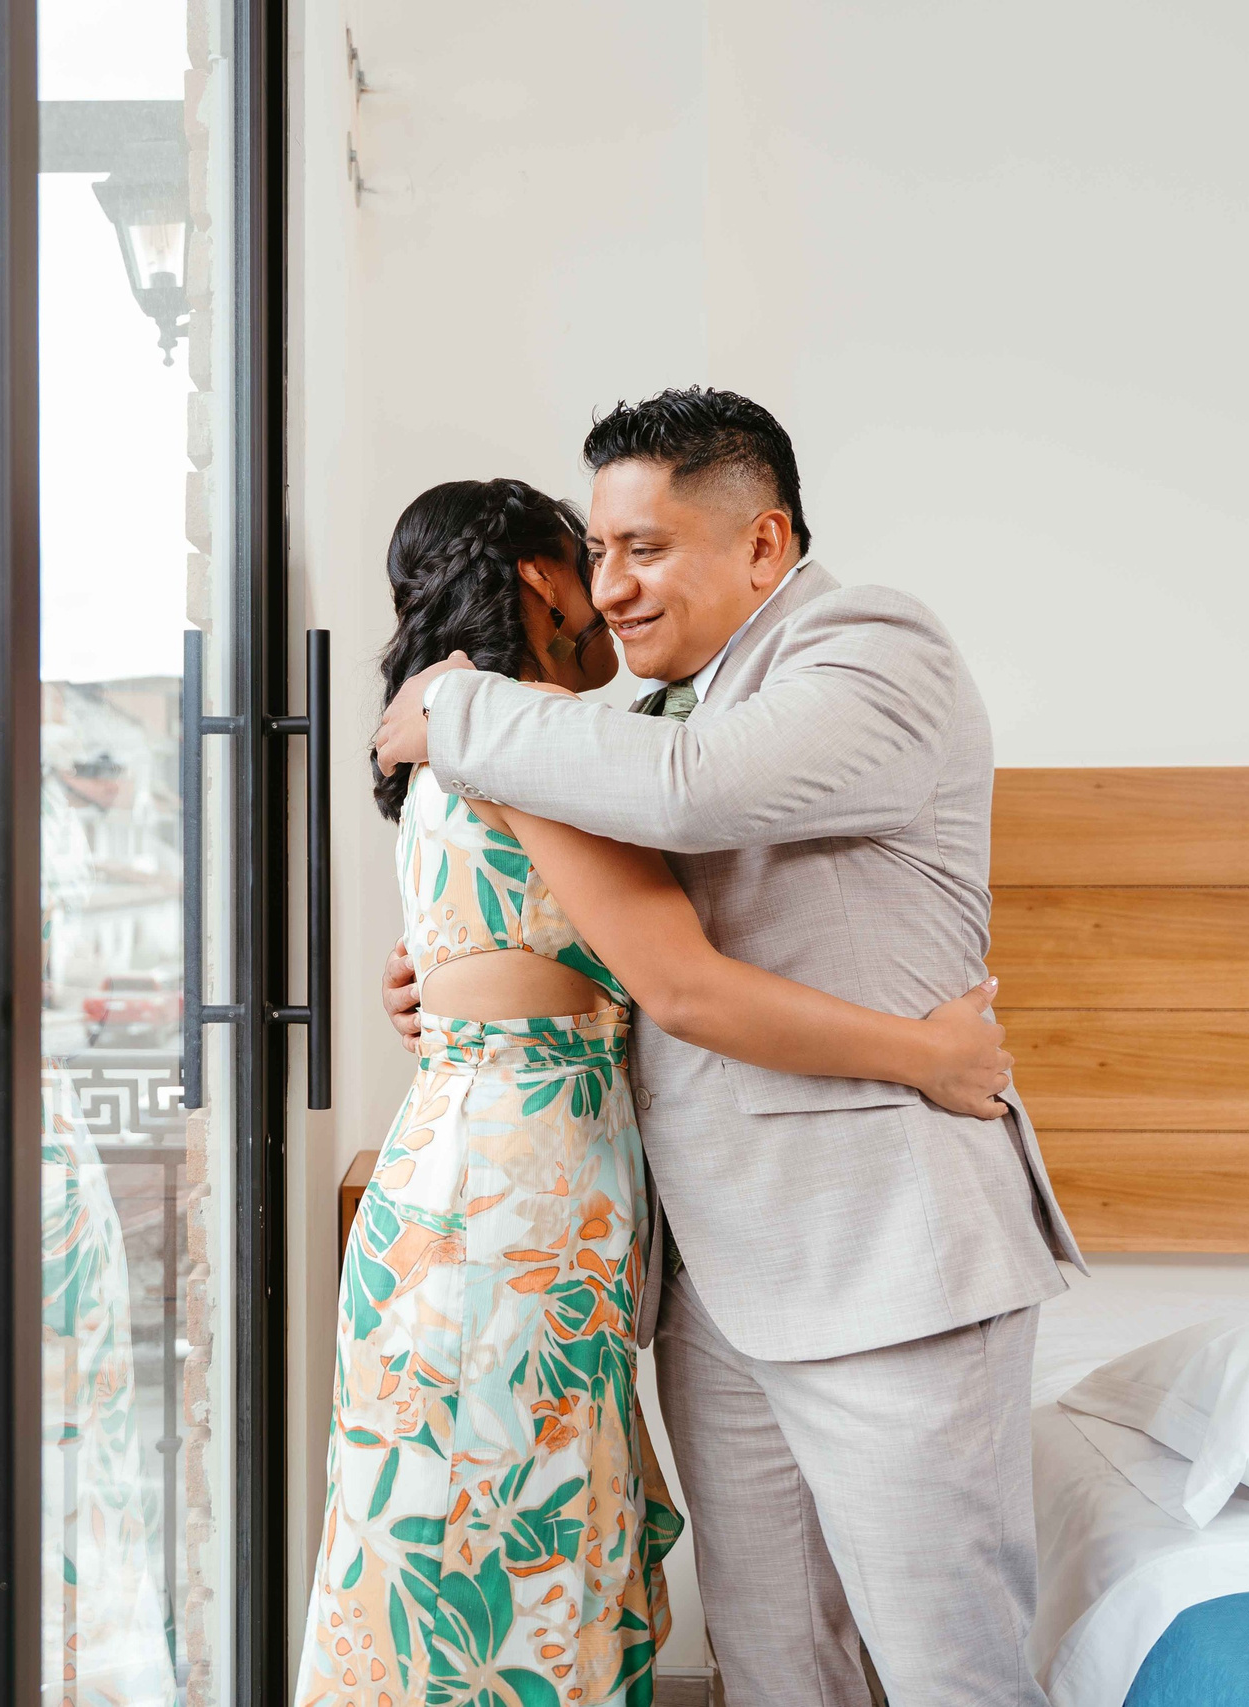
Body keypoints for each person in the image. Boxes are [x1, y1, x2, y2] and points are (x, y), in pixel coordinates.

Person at [371, 391, 1086, 1707]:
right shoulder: (645, 720)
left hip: (888, 1266)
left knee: (948, 1676)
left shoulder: (870, 651)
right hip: (715, 1279)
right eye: (596, 554)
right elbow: (627, 934)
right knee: (771, 1669)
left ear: (763, 546)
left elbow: (703, 794)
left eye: (645, 548)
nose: (614, 587)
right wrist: (475, 988)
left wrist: (454, 708)